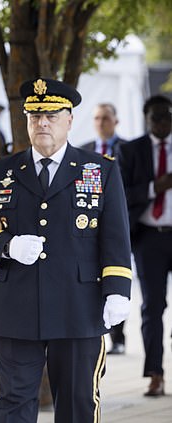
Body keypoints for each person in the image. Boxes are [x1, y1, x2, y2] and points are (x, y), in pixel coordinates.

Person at [0, 77, 132, 422]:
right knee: (13, 404)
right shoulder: (1, 172)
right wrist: (7, 245)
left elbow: (115, 239)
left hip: (79, 308)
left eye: (52, 115)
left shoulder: (100, 171)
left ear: (70, 120)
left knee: (78, 404)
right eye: (34, 115)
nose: (42, 123)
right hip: (17, 309)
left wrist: (117, 292)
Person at [117, 94, 172, 397]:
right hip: (149, 236)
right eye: (156, 117)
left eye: (167, 116)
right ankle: (155, 373)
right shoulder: (131, 151)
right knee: (153, 306)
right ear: (147, 119)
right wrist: (155, 186)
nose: (162, 122)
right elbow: (121, 194)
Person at [81, 102, 128, 354]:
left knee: (118, 278)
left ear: (116, 121)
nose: (101, 123)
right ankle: (104, 330)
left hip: (122, 223)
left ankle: (118, 335)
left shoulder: (128, 149)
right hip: (88, 228)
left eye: (106, 118)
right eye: (97, 118)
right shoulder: (85, 150)